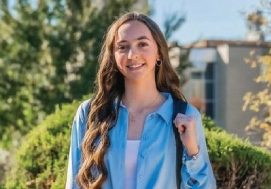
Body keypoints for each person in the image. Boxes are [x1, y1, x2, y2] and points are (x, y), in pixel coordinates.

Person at [66, 12, 216, 189]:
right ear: (113, 57)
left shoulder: (185, 116)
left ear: (159, 53)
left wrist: (193, 151)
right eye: (122, 47)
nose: (132, 54)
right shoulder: (90, 114)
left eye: (142, 44)